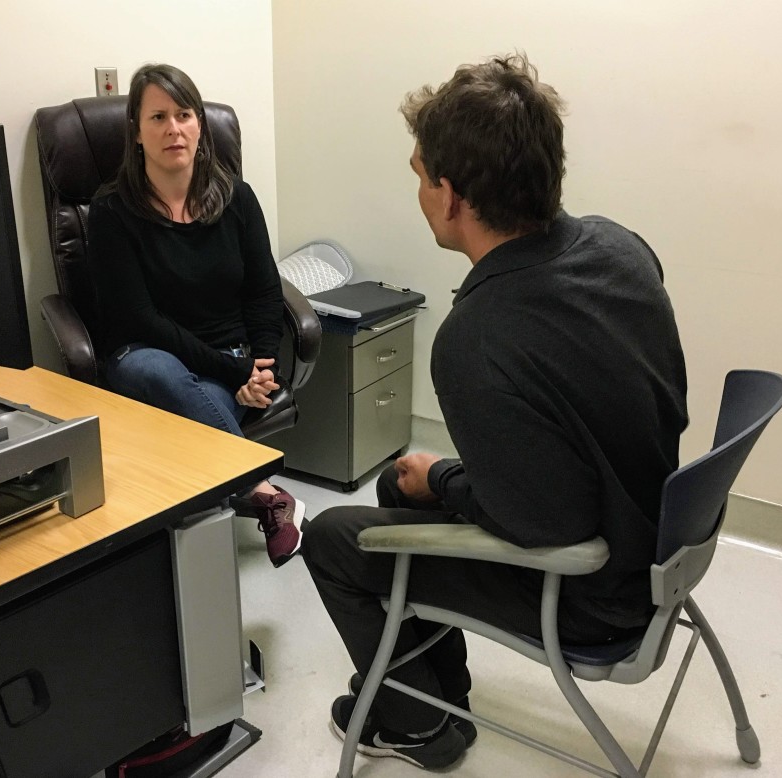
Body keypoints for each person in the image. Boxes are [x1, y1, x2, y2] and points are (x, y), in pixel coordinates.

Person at [302, 52, 688, 770]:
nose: (417, 191)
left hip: (587, 588)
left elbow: (543, 526)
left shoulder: (476, 339)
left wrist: (444, 481)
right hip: (653, 537)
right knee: (395, 485)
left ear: (451, 196)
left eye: (420, 175)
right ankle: (436, 694)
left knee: (331, 537)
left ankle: (417, 727)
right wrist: (432, 479)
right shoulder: (620, 247)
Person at [87, 63, 303, 567]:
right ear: (136, 133)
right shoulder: (112, 212)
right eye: (157, 117)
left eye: (183, 114)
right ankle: (265, 490)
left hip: (234, 364)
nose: (173, 128)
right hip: (150, 358)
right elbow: (139, 319)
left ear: (200, 125)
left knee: (201, 408)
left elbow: (265, 292)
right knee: (160, 371)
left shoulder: (236, 199)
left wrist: (263, 365)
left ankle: (219, 531)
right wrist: (238, 372)